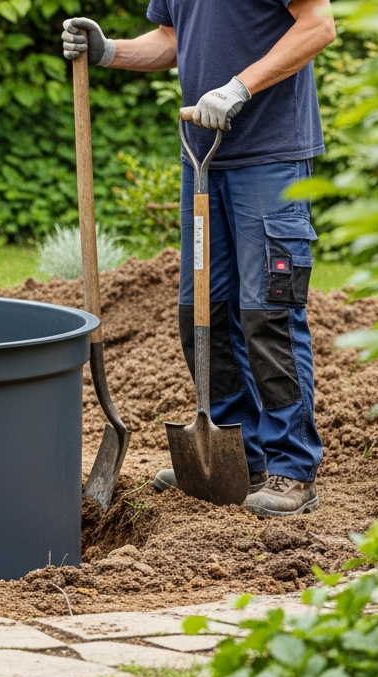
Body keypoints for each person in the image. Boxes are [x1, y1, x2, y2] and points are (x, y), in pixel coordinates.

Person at [61, 1, 336, 517]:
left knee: (268, 315)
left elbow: (318, 26)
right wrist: (109, 51)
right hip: (202, 155)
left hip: (270, 158)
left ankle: (293, 469)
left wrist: (240, 86)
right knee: (202, 312)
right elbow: (172, 39)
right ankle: (238, 455)